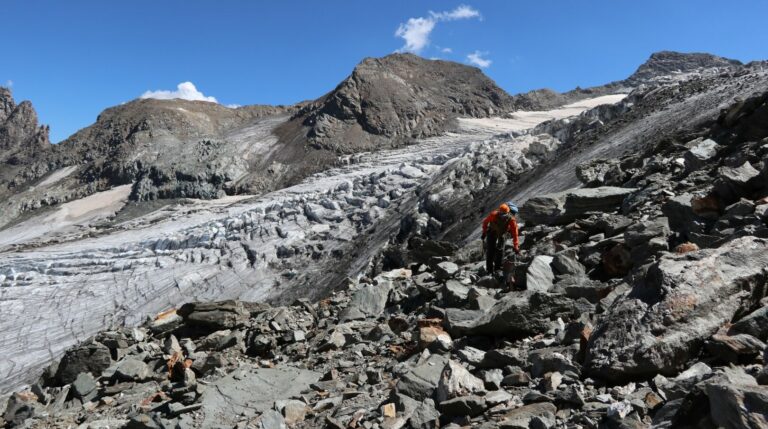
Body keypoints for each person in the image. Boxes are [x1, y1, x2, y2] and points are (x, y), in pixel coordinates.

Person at [481, 201, 520, 274]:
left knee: (500, 251)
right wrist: (484, 232)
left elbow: (515, 233)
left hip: (502, 234)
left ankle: (497, 269)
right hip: (492, 232)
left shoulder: (511, 219)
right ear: (499, 212)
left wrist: (516, 245)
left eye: (504, 214)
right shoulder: (493, 214)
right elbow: (485, 222)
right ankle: (489, 270)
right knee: (490, 251)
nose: (503, 216)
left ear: (508, 213)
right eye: (501, 214)